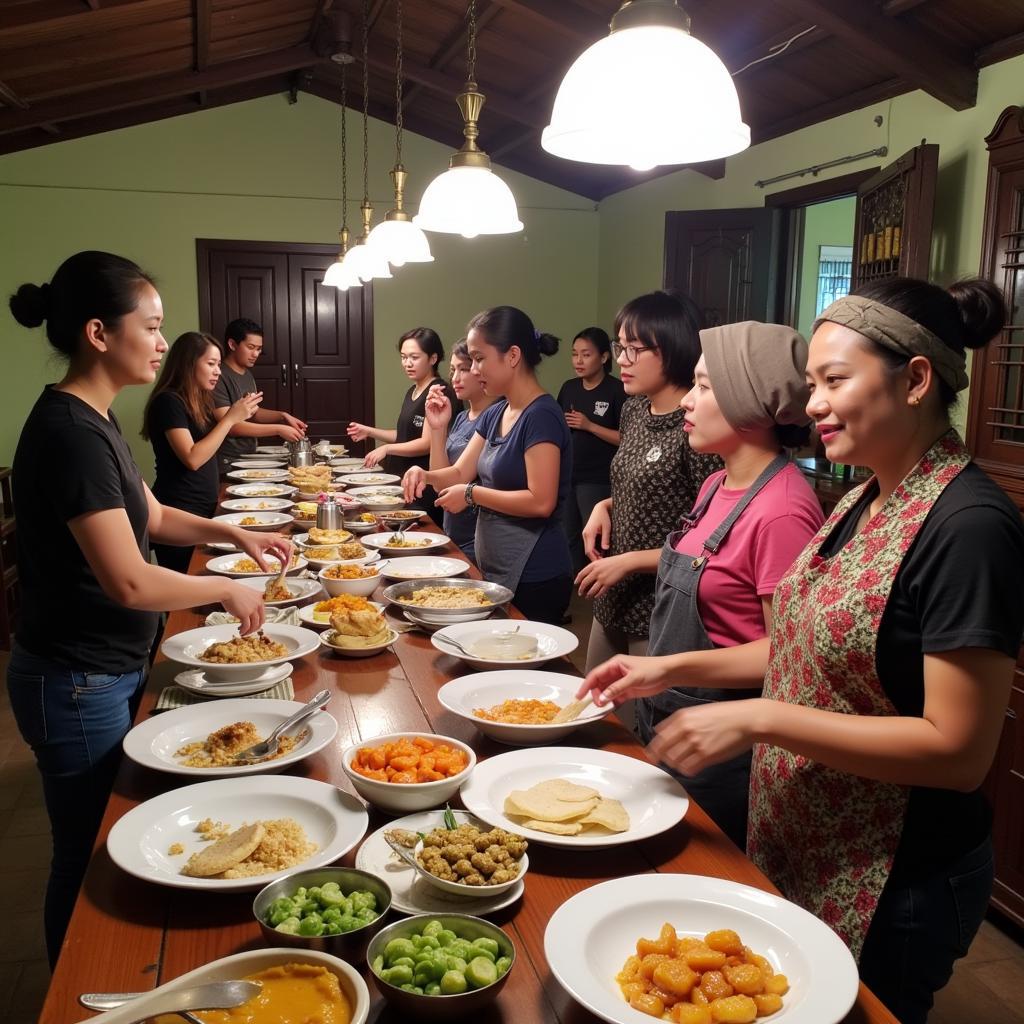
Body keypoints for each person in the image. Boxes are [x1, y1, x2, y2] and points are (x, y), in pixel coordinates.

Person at [580, 278, 1024, 1024]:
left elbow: (958, 751)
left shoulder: (969, 526)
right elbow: (796, 650)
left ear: (916, 380)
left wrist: (759, 721)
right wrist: (667, 666)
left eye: (835, 381)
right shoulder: (863, 497)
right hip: (812, 832)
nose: (812, 403)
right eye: (812, 382)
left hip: (898, 872)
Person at [7, 252, 292, 966]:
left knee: (112, 836)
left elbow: (154, 516)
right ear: (99, 333)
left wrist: (232, 531)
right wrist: (225, 587)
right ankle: (75, 990)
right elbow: (130, 582)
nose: (165, 343)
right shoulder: (71, 433)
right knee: (87, 853)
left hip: (105, 666)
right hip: (76, 677)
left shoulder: (92, 417)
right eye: (154, 327)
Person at [613, 322, 824, 849]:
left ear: (750, 404)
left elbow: (785, 654)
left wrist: (670, 667)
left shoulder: (782, 510)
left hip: (723, 750)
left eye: (705, 387)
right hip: (670, 717)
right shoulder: (714, 485)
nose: (687, 400)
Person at [576, 291, 721, 670]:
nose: (622, 360)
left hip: (661, 604)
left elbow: (711, 538)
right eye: (620, 346)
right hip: (613, 593)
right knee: (594, 713)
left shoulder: (697, 425)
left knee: (643, 727)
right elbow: (639, 482)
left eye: (635, 349)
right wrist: (603, 505)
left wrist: (628, 562)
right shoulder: (634, 410)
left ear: (672, 348)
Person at [403, 306, 572, 623]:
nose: (475, 369)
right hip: (496, 561)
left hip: (535, 573)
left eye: (479, 358)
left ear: (512, 356)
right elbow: (457, 473)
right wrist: (424, 474)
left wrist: (472, 494)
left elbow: (541, 501)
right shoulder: (497, 412)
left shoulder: (541, 415)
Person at [142, 331, 263, 572]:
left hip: (204, 505)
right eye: (211, 364)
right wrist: (229, 420)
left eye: (218, 364)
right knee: (184, 594)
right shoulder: (169, 401)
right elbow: (193, 458)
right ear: (188, 364)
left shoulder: (199, 399)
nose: (218, 371)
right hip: (180, 509)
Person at [346, 327, 459, 528]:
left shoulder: (439, 392)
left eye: (414, 357)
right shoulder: (413, 390)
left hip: (423, 486)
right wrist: (370, 431)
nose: (407, 363)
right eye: (404, 357)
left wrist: (387, 448)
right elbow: (405, 435)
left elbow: (427, 442)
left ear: (433, 359)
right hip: (404, 482)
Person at [557, 327, 626, 574]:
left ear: (605, 357)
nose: (578, 360)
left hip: (598, 480)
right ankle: (571, 592)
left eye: (586, 354)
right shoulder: (569, 388)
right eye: (574, 354)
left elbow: (627, 439)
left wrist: (589, 425)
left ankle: (600, 591)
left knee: (597, 540)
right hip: (568, 476)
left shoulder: (617, 390)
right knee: (567, 538)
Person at [422, 337, 495, 560]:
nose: (455, 378)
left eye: (463, 369)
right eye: (453, 370)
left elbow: (458, 478)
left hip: (478, 534)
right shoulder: (462, 417)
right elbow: (440, 484)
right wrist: (437, 428)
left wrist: (423, 475)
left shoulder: (496, 416)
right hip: (453, 528)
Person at [213, 317, 306, 471]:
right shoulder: (218, 375)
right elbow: (229, 425)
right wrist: (278, 429)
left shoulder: (247, 374)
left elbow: (252, 413)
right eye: (251, 347)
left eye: (259, 348)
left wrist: (282, 415)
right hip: (228, 459)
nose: (256, 353)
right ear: (232, 344)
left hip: (248, 455)